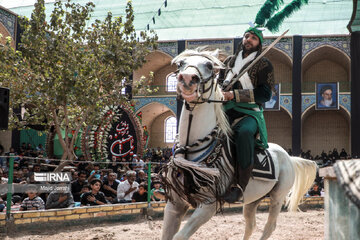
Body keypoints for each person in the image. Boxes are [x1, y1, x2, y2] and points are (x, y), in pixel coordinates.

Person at [219, 26, 274, 203]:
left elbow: (265, 95)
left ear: (259, 44)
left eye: (254, 38)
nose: (249, 39)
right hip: (225, 111)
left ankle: (240, 186)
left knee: (243, 133)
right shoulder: (228, 61)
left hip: (249, 113)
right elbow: (219, 86)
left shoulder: (264, 64)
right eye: (247, 36)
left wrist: (234, 95)